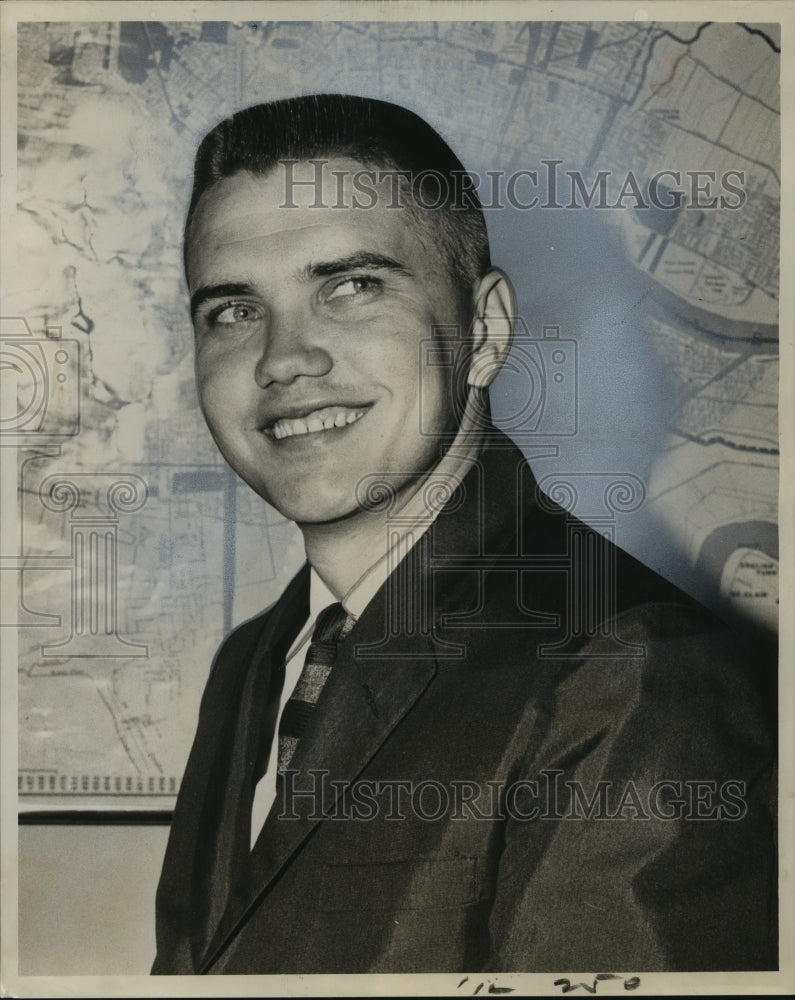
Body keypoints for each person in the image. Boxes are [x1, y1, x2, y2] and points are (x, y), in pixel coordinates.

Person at [152, 94, 775, 975]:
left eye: (352, 287)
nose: (283, 358)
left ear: (484, 331)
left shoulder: (635, 671)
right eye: (233, 311)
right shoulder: (255, 662)